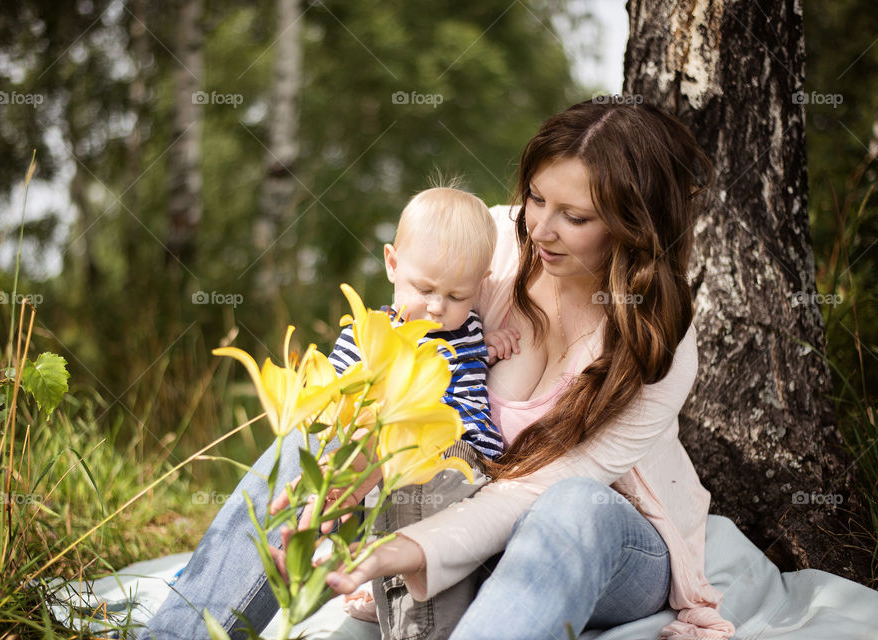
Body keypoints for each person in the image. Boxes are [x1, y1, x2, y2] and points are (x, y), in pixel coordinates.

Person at [137, 99, 737, 640]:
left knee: (575, 504)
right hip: (454, 501)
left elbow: (530, 494)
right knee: (318, 443)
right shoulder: (493, 240)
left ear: (636, 225)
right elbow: (398, 360)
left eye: (575, 217)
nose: (539, 228)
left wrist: (405, 550)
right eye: (535, 197)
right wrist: (362, 460)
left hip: (594, 542)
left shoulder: (656, 337)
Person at [325, 185, 519, 636]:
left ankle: (397, 597)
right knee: (410, 520)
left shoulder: (469, 327)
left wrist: (491, 346)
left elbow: (465, 364)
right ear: (392, 264)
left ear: (481, 284)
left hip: (479, 462)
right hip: (409, 454)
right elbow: (339, 395)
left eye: (456, 295)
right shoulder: (372, 332)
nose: (436, 307)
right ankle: (415, 623)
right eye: (424, 288)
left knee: (454, 554)